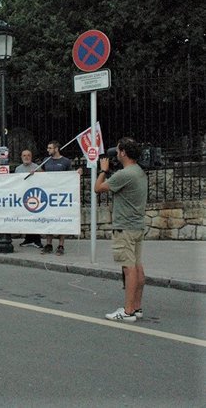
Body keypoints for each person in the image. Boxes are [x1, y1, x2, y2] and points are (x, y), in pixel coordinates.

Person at [95, 137, 148, 322]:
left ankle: (127, 312)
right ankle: (137, 307)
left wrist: (103, 170)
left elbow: (98, 188)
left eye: (118, 151)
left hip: (124, 227)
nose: (116, 154)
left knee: (129, 268)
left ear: (124, 153)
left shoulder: (125, 174)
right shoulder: (138, 171)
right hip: (136, 226)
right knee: (137, 266)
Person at [41, 140, 79, 255]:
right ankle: (48, 244)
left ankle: (61, 245)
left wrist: (77, 173)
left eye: (50, 148)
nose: (48, 150)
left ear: (56, 149)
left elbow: (70, 176)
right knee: (49, 219)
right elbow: (42, 173)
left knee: (61, 219)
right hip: (49, 195)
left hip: (61, 196)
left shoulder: (65, 161)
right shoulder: (46, 161)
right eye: (48, 148)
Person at [15, 149, 42, 248]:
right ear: (21, 157)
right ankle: (28, 239)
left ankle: (37, 240)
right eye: (24, 155)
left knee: (34, 218)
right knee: (26, 219)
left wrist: (37, 174)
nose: (26, 157)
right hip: (23, 197)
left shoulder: (36, 167)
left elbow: (45, 178)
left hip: (34, 197)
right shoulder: (18, 169)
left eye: (28, 155)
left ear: (31, 157)